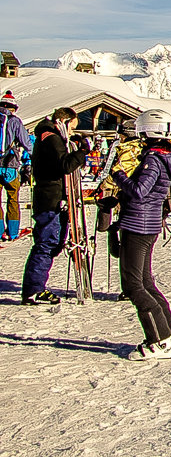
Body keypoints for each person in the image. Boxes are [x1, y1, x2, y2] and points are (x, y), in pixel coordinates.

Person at [110, 109, 171, 360]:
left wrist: (118, 176)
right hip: (149, 222)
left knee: (133, 285)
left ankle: (158, 340)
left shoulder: (153, 159)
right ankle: (168, 335)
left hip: (138, 223)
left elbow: (140, 191)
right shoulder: (168, 155)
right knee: (146, 282)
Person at [21, 107, 89, 305]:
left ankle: (35, 286)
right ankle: (34, 289)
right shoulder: (51, 138)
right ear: (64, 121)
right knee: (46, 243)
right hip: (50, 199)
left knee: (53, 243)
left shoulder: (49, 136)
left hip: (52, 197)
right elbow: (65, 165)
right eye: (72, 128)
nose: (72, 132)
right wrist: (82, 153)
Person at [0, 90, 34, 241]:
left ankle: (0, 231)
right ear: (13, 108)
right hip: (11, 165)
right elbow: (26, 143)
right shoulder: (15, 121)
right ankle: (12, 232)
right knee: (13, 198)